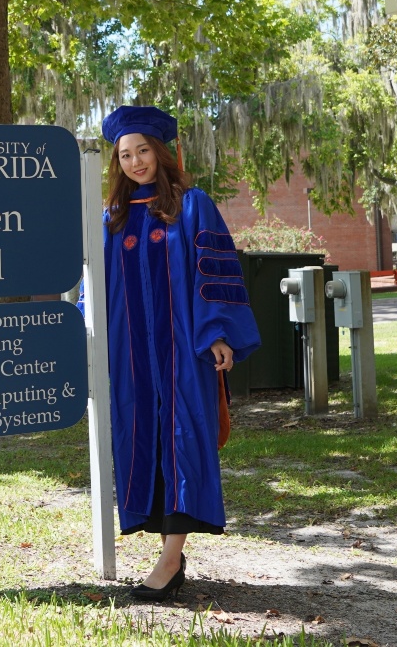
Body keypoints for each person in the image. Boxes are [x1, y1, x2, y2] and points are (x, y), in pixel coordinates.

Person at [96, 105, 261, 602]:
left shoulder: (192, 206)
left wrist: (217, 333)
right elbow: (95, 289)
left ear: (161, 152)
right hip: (130, 356)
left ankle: (170, 559)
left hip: (183, 351)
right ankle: (168, 552)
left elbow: (214, 273)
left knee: (184, 439)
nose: (135, 162)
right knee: (141, 439)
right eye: (125, 155)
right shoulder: (112, 217)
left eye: (143, 150)